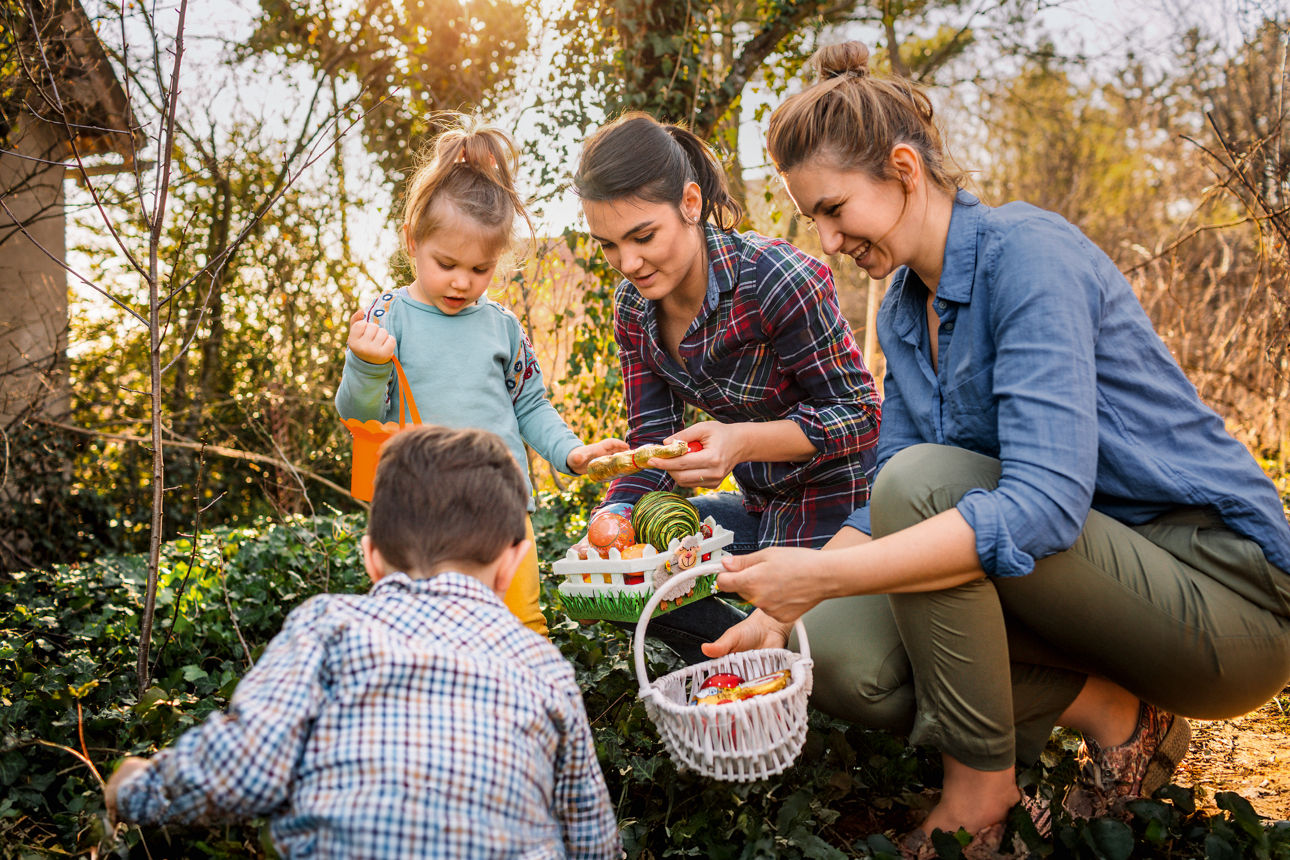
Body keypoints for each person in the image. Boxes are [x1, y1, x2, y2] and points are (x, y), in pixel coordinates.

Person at [703, 41, 1290, 855]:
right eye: (814, 220)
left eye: (835, 210)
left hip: (1223, 602)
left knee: (922, 488)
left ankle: (981, 794)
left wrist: (824, 572)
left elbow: (1039, 505)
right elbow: (886, 506)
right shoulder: (907, 308)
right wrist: (779, 608)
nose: (828, 242)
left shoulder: (1029, 257)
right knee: (838, 654)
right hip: (1089, 594)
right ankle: (1114, 713)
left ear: (904, 169)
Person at [105, 425, 623, 859]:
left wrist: (138, 786)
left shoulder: (329, 626)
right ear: (513, 562)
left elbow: (247, 767)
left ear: (371, 557)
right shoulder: (542, 664)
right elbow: (591, 837)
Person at [571, 112, 883, 662]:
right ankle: (748, 667)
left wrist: (740, 442)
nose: (629, 263)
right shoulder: (633, 311)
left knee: (833, 658)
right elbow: (651, 439)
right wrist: (609, 529)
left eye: (643, 236)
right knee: (639, 590)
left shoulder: (775, 279)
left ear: (690, 204)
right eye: (609, 246)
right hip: (761, 509)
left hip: (844, 511)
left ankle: (789, 657)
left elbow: (862, 414)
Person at [335, 114, 627, 637]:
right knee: (422, 635)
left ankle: (526, 713)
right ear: (411, 242)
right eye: (446, 263)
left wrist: (572, 452)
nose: (462, 282)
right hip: (417, 511)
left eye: (480, 269)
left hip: (501, 506)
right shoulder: (388, 317)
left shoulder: (503, 328)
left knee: (522, 624)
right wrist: (365, 364)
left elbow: (530, 406)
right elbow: (357, 416)